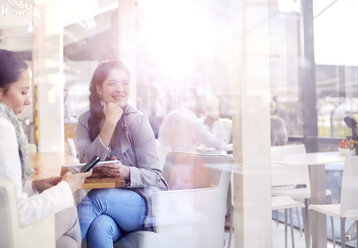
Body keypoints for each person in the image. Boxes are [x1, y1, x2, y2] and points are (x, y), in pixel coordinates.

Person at [0, 49, 92, 248]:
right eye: (23, 92)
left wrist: (34, 186)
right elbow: (19, 212)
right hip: (8, 237)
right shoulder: (3, 128)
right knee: (68, 211)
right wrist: (66, 187)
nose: (28, 101)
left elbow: (3, 193)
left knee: (65, 243)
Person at [76, 60, 168, 248]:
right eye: (112, 83)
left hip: (144, 202)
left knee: (94, 200)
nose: (120, 89)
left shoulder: (138, 121)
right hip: (112, 204)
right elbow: (86, 162)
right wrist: (110, 123)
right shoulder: (85, 120)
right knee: (99, 227)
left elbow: (154, 174)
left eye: (125, 83)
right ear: (99, 89)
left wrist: (125, 171)